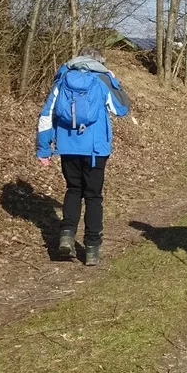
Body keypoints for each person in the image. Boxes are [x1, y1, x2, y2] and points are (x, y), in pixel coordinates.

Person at [37, 48, 131, 267]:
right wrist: (115, 82)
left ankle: (67, 236)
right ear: (99, 61)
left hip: (68, 147)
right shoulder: (103, 78)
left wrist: (44, 149)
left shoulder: (63, 79)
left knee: (73, 190)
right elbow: (122, 109)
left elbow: (46, 116)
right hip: (95, 150)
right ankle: (91, 249)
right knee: (93, 197)